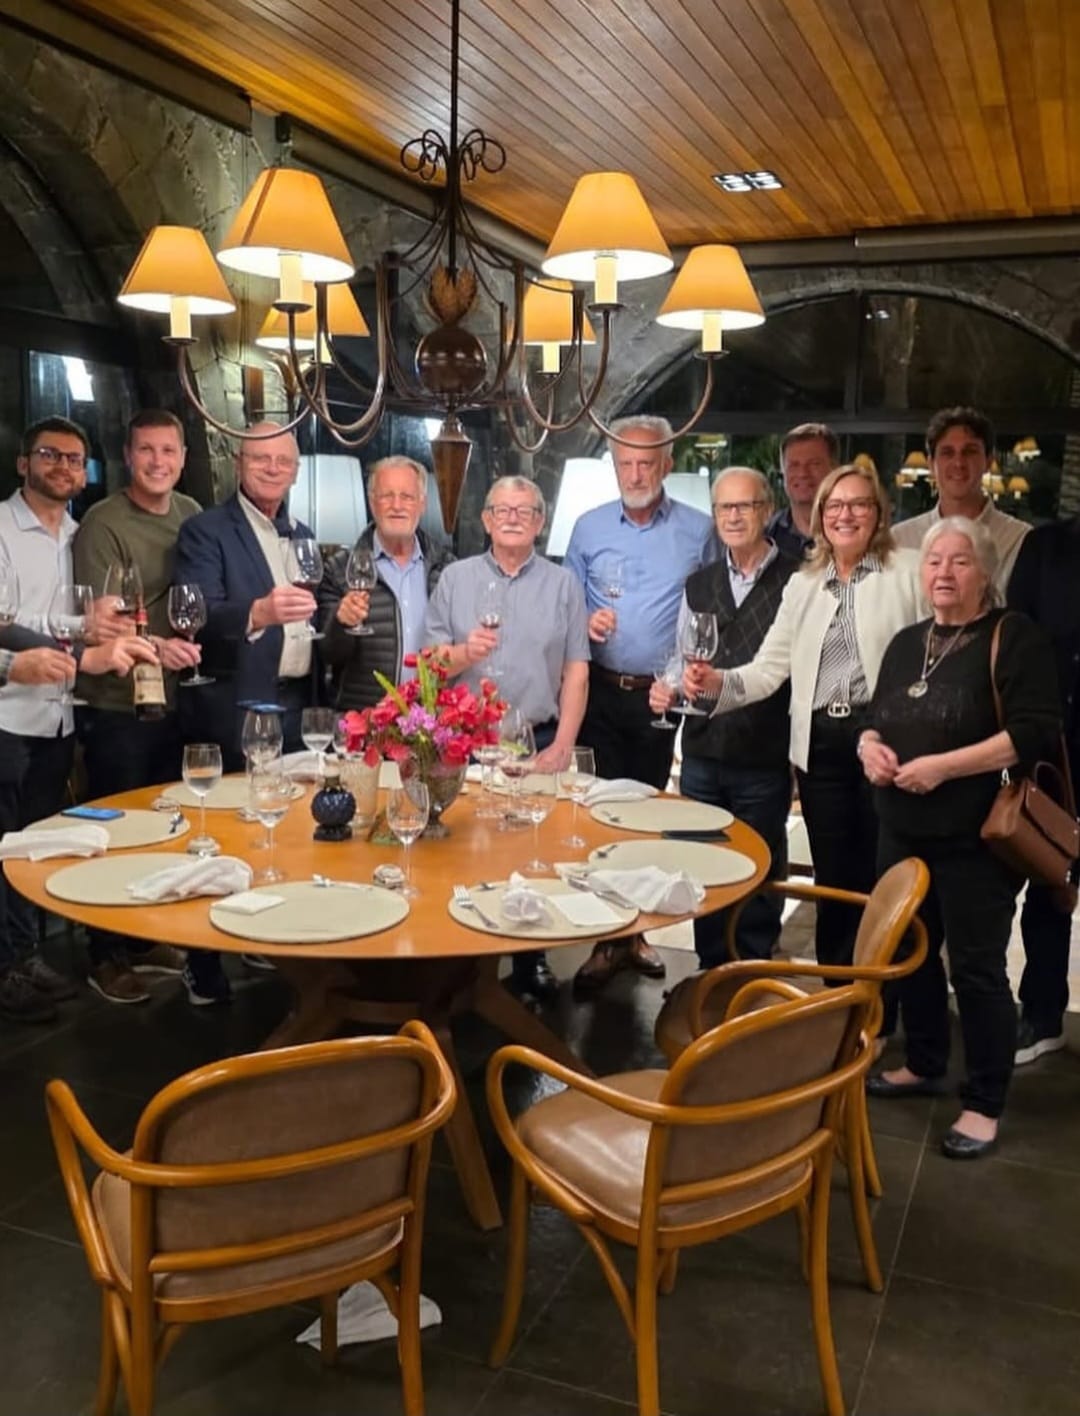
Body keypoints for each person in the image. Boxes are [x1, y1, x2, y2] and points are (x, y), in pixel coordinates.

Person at [860, 518, 1060, 1158]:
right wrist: (869, 746)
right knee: (909, 954)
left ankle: (984, 1101)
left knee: (975, 969)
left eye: (960, 561)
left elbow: (1032, 731)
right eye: (934, 560)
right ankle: (923, 1061)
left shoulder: (1013, 636)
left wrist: (944, 767)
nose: (943, 572)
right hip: (900, 829)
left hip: (975, 838)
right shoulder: (906, 641)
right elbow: (876, 717)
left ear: (986, 573)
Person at [684, 463, 924, 968]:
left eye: (858, 504)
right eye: (834, 505)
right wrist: (715, 682)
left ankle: (885, 997)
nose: (845, 515)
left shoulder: (909, 572)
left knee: (885, 877)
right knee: (833, 879)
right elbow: (767, 671)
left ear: (878, 513)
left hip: (886, 742)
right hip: (821, 746)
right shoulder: (804, 584)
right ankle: (839, 993)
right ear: (819, 516)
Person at [0, 418, 159, 1024]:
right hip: (9, 712)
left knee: (33, 847)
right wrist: (79, 639)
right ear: (24, 463)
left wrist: (98, 631)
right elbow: (5, 623)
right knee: (3, 847)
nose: (63, 467)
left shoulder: (78, 533)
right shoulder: (2, 527)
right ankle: (7, 970)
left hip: (60, 716)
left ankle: (24, 956)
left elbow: (73, 624)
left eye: (74, 459)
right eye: (50, 455)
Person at [564, 415, 715, 992]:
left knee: (648, 821)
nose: (635, 474)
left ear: (667, 465)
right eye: (625, 463)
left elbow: (708, 619)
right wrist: (586, 619)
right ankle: (607, 938)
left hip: (659, 695)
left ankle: (639, 934)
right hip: (600, 692)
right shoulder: (587, 527)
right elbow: (565, 607)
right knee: (602, 819)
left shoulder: (699, 532)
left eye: (646, 463)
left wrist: (676, 679)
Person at [425, 475, 589, 1002]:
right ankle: (460, 959)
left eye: (525, 510)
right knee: (464, 853)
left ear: (540, 522)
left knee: (528, 853)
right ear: (486, 520)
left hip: (534, 741)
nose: (513, 518)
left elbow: (577, 669)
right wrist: (464, 654)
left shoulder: (563, 584)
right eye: (503, 509)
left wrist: (563, 745)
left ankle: (528, 959)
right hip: (464, 743)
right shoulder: (455, 578)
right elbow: (429, 664)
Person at [73, 409, 214, 1006]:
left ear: (183, 458)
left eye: (168, 450)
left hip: (176, 697)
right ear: (128, 456)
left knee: (162, 826)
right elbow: (101, 621)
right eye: (146, 450)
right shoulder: (103, 523)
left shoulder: (191, 513)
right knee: (115, 830)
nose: (158, 461)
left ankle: (141, 939)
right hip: (118, 703)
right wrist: (159, 644)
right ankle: (103, 954)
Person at [649, 468, 798, 965]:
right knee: (704, 868)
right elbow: (682, 659)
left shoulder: (798, 579)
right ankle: (710, 974)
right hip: (702, 753)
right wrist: (669, 687)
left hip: (763, 754)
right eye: (724, 508)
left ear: (766, 510)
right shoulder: (700, 583)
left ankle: (749, 976)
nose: (733, 517)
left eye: (744, 506)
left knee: (758, 872)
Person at [174, 422, 320, 768]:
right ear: (238, 464)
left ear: (295, 472)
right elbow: (198, 616)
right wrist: (257, 613)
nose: (272, 468)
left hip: (301, 707)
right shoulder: (204, 531)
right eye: (261, 458)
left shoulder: (304, 533)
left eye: (283, 461)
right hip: (240, 710)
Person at [1006, 517, 1080, 1064]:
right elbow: (1019, 641)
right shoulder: (1046, 545)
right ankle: (1042, 1013)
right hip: (1057, 748)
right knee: (1049, 877)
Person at [319, 455, 454, 709]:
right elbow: (327, 654)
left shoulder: (448, 569)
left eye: (407, 497)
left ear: (422, 504)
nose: (397, 505)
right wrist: (341, 622)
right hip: (364, 720)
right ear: (372, 503)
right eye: (386, 496)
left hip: (430, 722)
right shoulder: (339, 569)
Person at [892, 406, 1029, 591]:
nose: (958, 463)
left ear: (988, 461)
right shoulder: (901, 539)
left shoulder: (1019, 540)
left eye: (970, 452)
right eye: (947, 452)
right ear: (931, 464)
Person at [766, 422, 840, 562]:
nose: (803, 473)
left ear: (834, 468)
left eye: (814, 464)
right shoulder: (766, 537)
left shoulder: (853, 531)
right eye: (794, 465)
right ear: (783, 471)